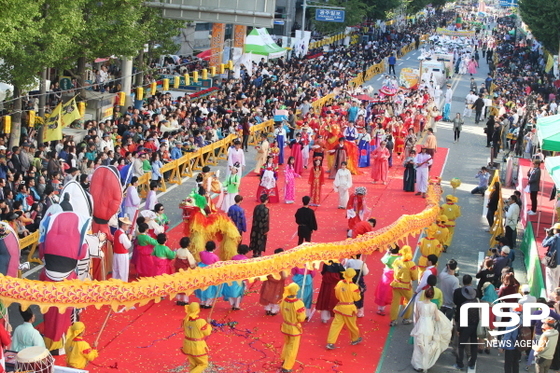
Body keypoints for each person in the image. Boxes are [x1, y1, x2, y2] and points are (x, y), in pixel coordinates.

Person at [410, 286, 453, 372]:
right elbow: (437, 318)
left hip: (421, 324)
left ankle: (417, 365)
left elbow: (417, 316)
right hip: (429, 326)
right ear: (432, 296)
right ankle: (425, 363)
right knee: (427, 344)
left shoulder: (419, 303)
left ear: (424, 295)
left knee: (418, 346)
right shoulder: (433, 305)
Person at [326, 268, 362, 349]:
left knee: (335, 325)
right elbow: (357, 299)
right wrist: (358, 292)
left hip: (340, 307)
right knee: (352, 325)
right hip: (349, 309)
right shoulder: (354, 287)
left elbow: (337, 295)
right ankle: (355, 339)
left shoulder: (339, 283)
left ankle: (330, 343)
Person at [453, 275, 479, 370]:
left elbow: (462, 319)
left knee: (461, 345)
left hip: (465, 326)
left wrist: (459, 329)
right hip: (475, 325)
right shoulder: (477, 301)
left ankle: (460, 363)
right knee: (473, 345)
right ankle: (472, 362)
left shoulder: (464, 305)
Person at [280, 283, 307, 373]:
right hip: (294, 328)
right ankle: (287, 366)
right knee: (293, 347)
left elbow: (281, 311)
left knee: (286, 344)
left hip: (285, 326)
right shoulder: (298, 303)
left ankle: (284, 360)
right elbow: (301, 318)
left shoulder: (283, 301)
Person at [390, 245, 418, 326]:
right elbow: (415, 277)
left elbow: (393, 268)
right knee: (408, 301)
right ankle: (406, 318)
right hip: (405, 286)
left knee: (395, 302)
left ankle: (393, 320)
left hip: (396, 284)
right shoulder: (411, 264)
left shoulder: (397, 260)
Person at [182, 302, 212, 373]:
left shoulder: (186, 320)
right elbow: (207, 333)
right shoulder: (200, 321)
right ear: (198, 310)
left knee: (193, 364)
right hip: (197, 346)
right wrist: (208, 323)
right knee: (203, 364)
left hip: (187, 345)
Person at [259, 248, 286, 315]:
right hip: (278, 282)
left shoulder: (270, 262)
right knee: (276, 295)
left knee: (267, 294)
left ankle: (268, 308)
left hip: (269, 280)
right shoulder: (283, 263)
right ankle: (273, 310)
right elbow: (284, 275)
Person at [194, 241, 221, 308]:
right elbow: (218, 265)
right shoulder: (215, 257)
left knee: (201, 286)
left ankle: (202, 302)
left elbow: (201, 254)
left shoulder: (202, 253)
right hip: (210, 273)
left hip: (202, 271)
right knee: (210, 287)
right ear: (214, 248)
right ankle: (207, 303)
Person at [223, 244, 249, 310]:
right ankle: (236, 305)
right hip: (241, 277)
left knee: (232, 290)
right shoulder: (246, 259)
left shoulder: (234, 257)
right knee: (239, 292)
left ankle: (233, 303)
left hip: (233, 276)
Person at [375, 246, 400, 316]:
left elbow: (382, 260)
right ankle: (395, 309)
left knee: (383, 292)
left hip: (387, 276)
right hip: (396, 275)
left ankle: (381, 309)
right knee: (395, 292)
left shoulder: (388, 258)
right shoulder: (399, 258)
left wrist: (387, 252)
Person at [174, 237, 196, 306]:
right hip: (185, 270)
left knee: (179, 283)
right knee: (185, 284)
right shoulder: (187, 253)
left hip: (178, 270)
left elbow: (176, 257)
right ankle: (185, 300)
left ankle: (179, 299)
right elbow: (192, 263)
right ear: (188, 244)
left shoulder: (178, 250)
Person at [112, 216, 132, 282]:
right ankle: (123, 284)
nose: (128, 226)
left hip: (116, 254)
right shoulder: (122, 235)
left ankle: (115, 283)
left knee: (116, 270)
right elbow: (128, 245)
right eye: (127, 225)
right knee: (123, 271)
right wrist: (130, 239)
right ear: (123, 225)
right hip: (122, 255)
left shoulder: (117, 232)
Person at [543, 224, 560, 298]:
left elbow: (544, 244)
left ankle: (550, 298)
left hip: (552, 263)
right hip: (559, 264)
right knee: (556, 280)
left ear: (555, 230)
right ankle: (556, 296)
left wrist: (547, 236)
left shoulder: (554, 238)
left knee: (550, 280)